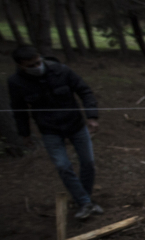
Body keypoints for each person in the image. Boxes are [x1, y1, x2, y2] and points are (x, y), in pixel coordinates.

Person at [8, 45, 103, 219]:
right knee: (62, 166)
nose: (37, 67)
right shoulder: (16, 82)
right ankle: (84, 202)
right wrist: (25, 134)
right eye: (31, 66)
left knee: (88, 162)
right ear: (21, 65)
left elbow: (84, 91)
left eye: (38, 62)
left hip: (76, 125)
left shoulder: (60, 70)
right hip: (50, 130)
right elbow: (19, 110)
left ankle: (85, 200)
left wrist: (92, 116)